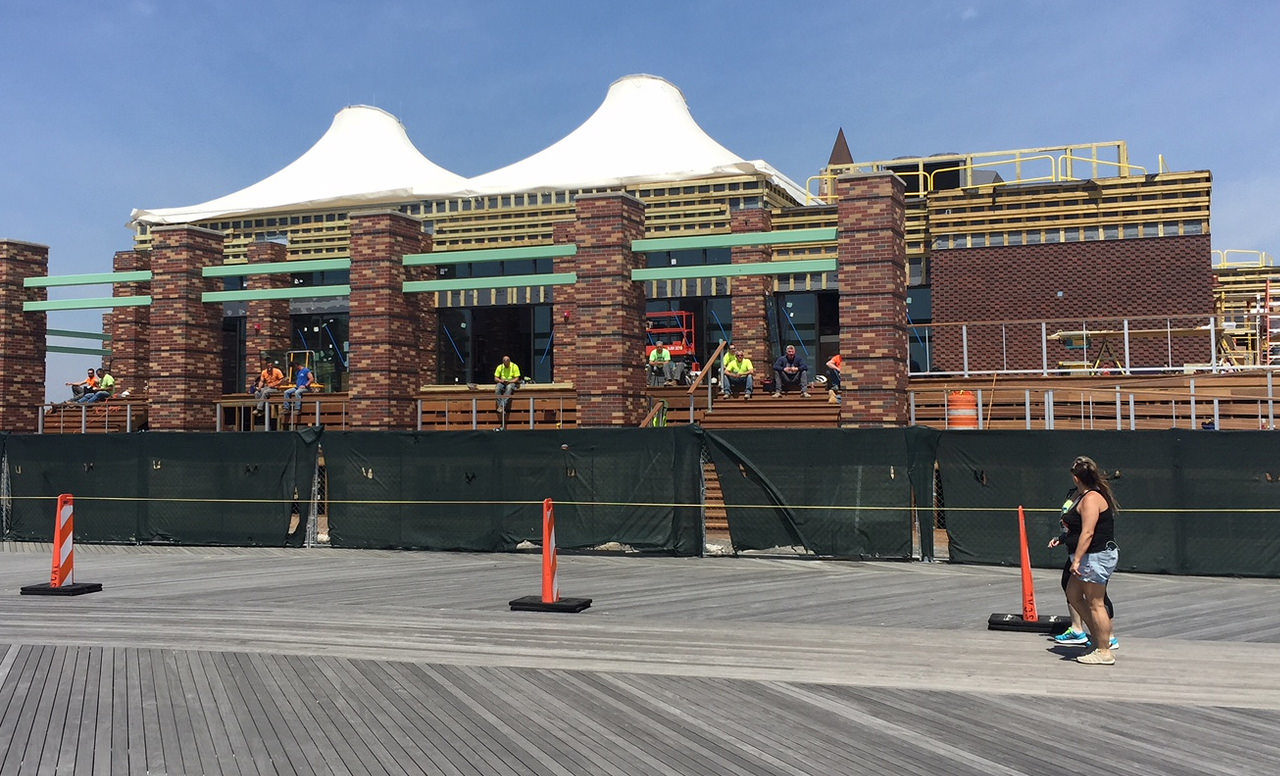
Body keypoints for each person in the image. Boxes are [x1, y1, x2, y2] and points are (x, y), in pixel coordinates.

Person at [1050, 455, 1120, 665]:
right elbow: (1077, 528)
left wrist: (1077, 561)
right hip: (1087, 556)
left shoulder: (1091, 498)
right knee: (1073, 593)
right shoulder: (1081, 496)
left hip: (1096, 555)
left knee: (1096, 602)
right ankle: (1098, 638)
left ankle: (1104, 650)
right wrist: (1063, 540)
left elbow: (1088, 532)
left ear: (1076, 478)